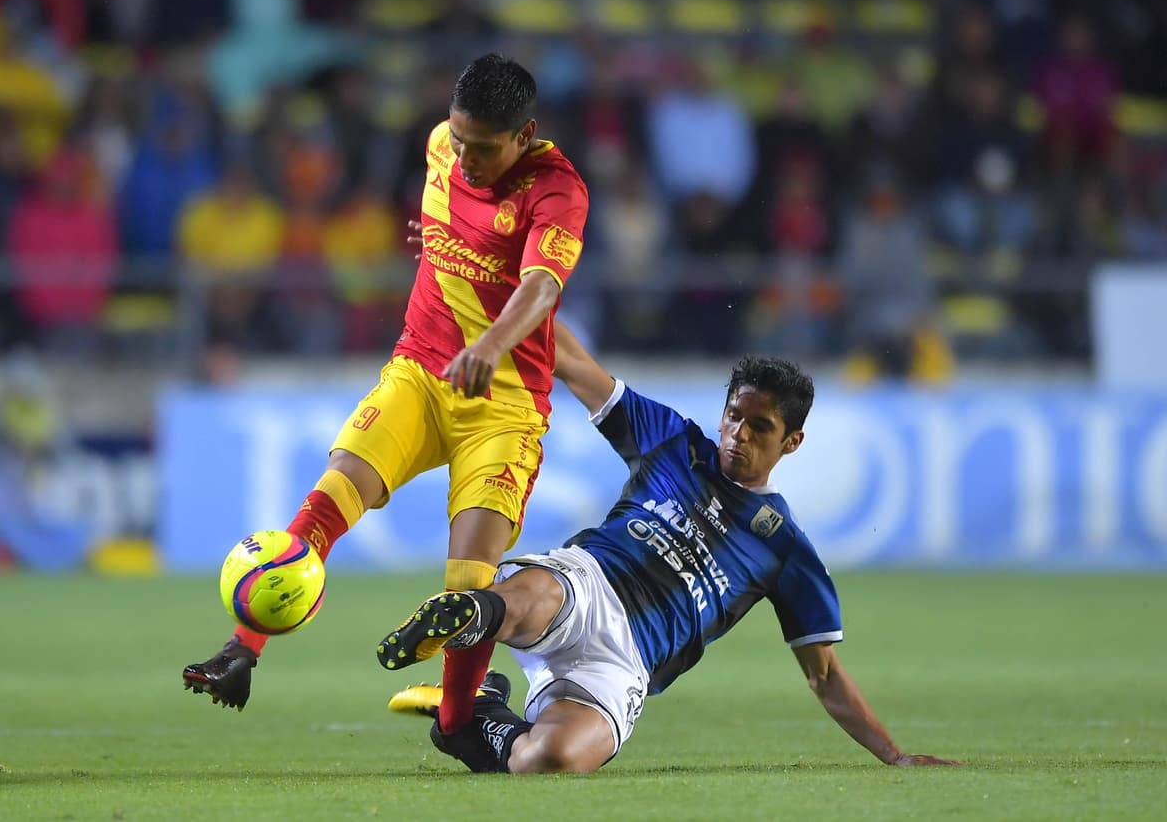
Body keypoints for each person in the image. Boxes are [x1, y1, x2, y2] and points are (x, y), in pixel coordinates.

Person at [183, 54, 590, 740]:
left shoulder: (558, 191)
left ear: (525, 134)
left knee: (466, 582)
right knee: (332, 495)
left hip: (504, 401)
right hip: (417, 373)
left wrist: (489, 346)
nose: (465, 160)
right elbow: (456, 225)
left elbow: (541, 287)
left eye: (484, 149)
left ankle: (462, 716)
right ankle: (240, 648)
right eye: (459, 142)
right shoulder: (440, 146)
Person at [378, 323, 960, 773]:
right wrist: (507, 284)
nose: (739, 435)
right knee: (524, 598)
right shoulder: (674, 442)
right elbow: (573, 363)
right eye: (735, 415)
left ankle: (477, 708)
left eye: (761, 427)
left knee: (546, 760)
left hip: (625, 664)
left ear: (793, 441)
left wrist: (894, 754)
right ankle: (475, 615)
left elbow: (824, 674)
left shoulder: (784, 548)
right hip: (587, 583)